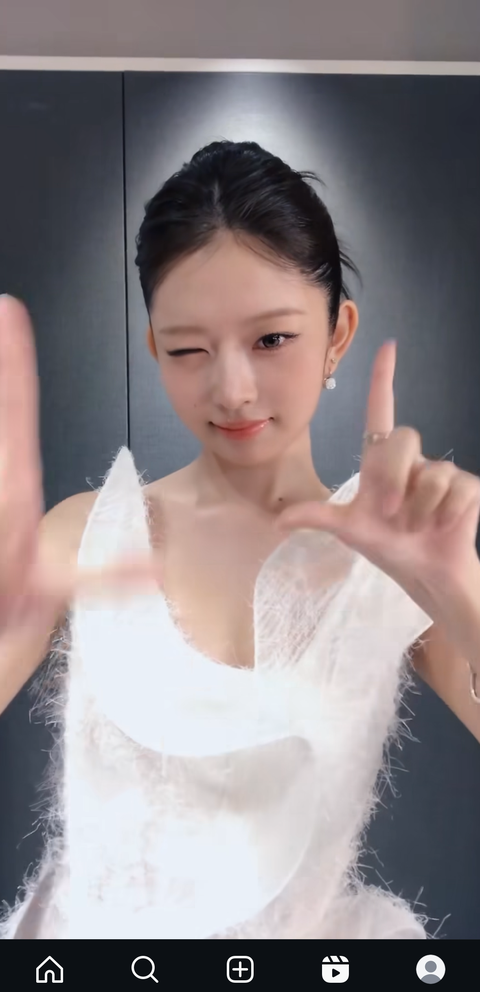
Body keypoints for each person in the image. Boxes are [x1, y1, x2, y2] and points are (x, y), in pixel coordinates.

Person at [0, 140, 477, 940]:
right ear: (154, 346)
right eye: (188, 349)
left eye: (272, 340)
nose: (232, 389)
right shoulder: (83, 536)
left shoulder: (394, 556)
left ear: (337, 333)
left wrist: (460, 593)